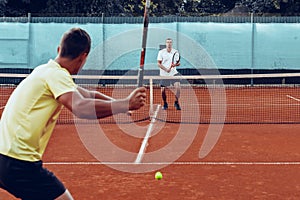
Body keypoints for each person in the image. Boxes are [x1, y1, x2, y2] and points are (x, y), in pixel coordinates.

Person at [0, 28, 146, 200]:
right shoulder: (57, 75)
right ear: (83, 57)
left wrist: (121, 106)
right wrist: (124, 103)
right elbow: (81, 107)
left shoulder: (45, 70)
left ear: (59, 49)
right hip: (19, 162)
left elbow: (88, 95)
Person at [157, 38, 181, 110]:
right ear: (166, 43)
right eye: (167, 42)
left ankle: (176, 102)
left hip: (173, 73)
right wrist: (166, 69)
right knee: (163, 90)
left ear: (172, 43)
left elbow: (178, 63)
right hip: (164, 74)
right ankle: (165, 103)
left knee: (178, 88)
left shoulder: (175, 52)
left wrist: (175, 65)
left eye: (170, 42)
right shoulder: (161, 52)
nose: (169, 44)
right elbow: (158, 64)